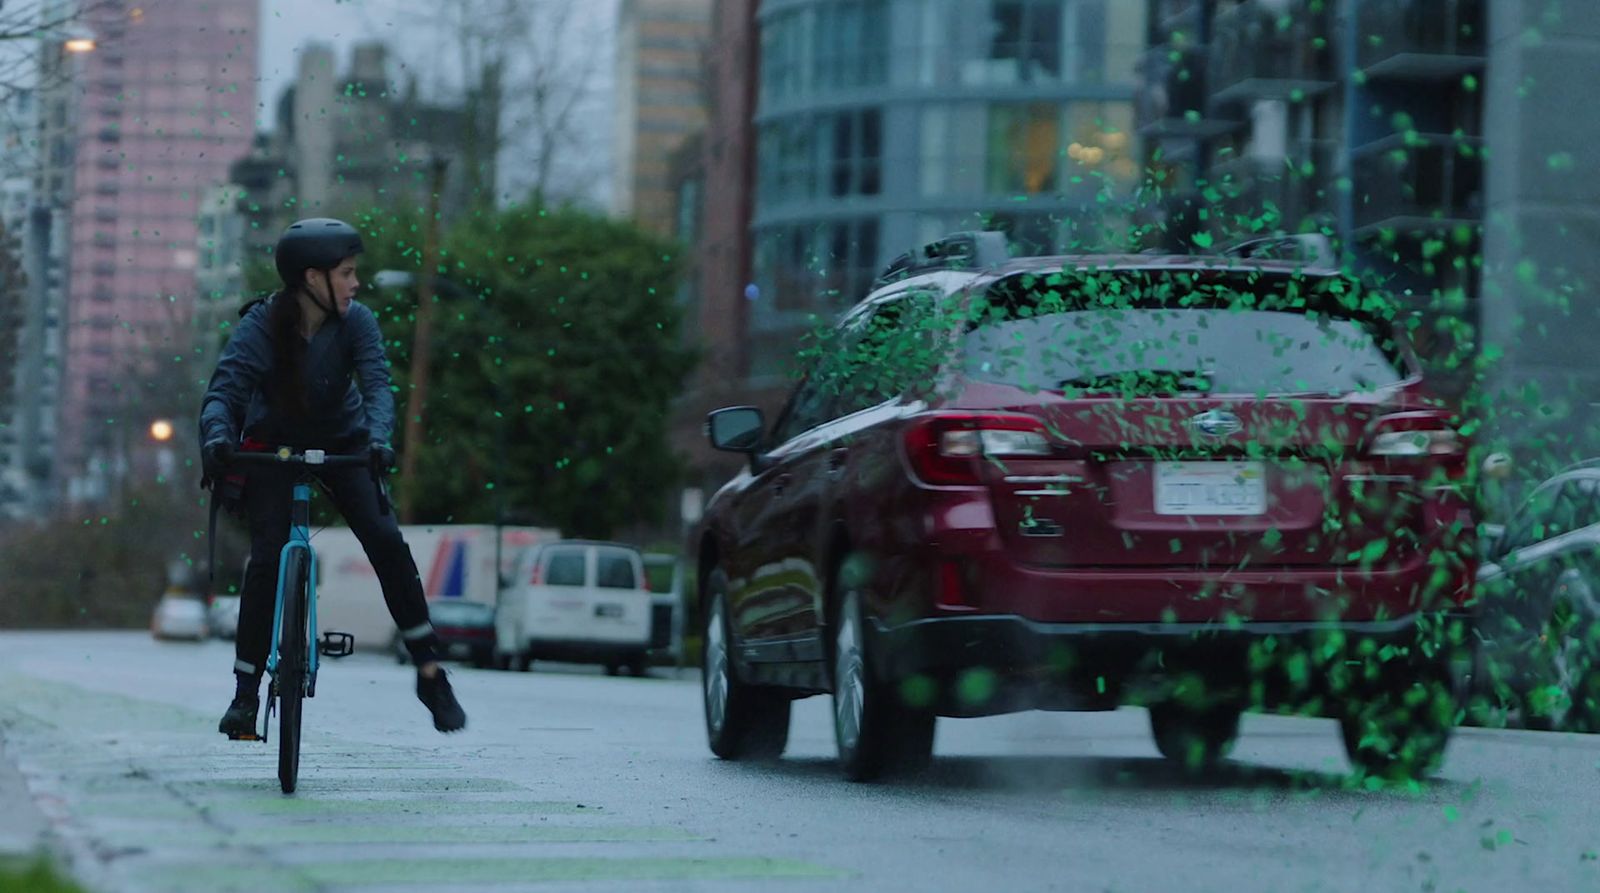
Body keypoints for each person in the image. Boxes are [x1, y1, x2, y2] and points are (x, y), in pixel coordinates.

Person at [198, 217, 466, 737]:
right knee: (266, 560)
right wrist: (216, 437)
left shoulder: (357, 322)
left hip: (345, 446)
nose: (356, 283)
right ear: (311, 279)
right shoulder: (261, 325)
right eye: (346, 273)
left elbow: (378, 387)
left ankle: (430, 672)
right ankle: (245, 695)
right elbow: (225, 391)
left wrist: (380, 440)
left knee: (387, 540)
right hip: (271, 448)